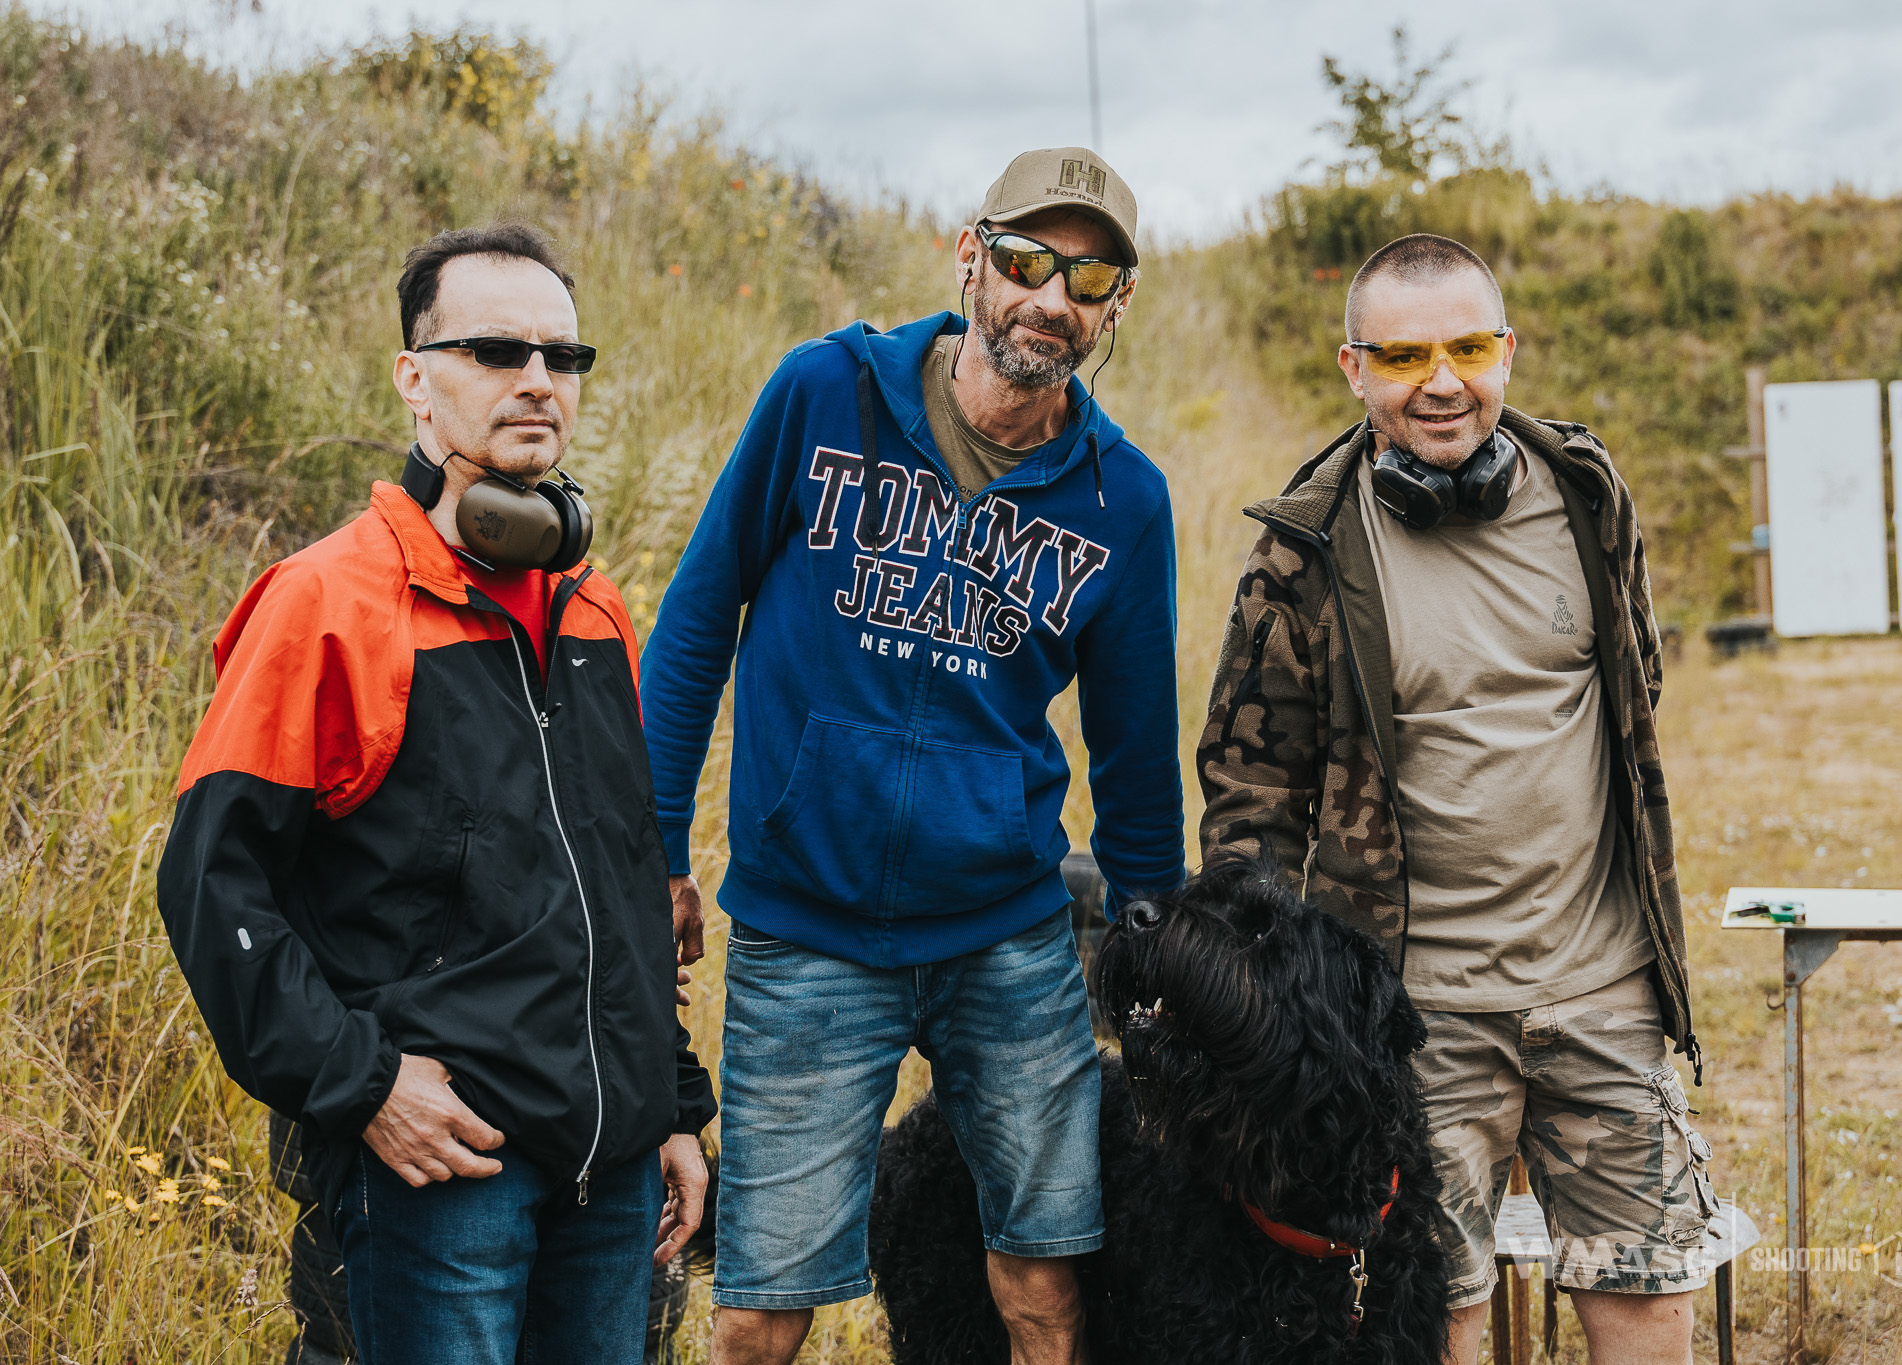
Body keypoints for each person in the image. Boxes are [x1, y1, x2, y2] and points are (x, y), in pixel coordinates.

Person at [640, 146, 1183, 1365]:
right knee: (759, 1309)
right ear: (969, 259)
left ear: (1115, 307)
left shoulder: (1123, 502)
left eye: (1089, 279)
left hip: (1006, 935)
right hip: (806, 926)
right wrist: (655, 849)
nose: (1051, 297)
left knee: (1045, 1280)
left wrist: (1151, 958)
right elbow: (694, 627)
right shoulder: (822, 393)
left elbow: (1136, 764)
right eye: (1027, 260)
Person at [157, 222, 714, 1365]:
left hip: (609, 1172)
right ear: (414, 380)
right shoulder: (325, 602)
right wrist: (363, 1085)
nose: (537, 380)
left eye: (562, 357)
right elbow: (212, 887)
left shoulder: (594, 610)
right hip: (441, 1171)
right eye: (497, 351)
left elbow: (621, 888)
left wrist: (667, 1105)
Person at [1196, 233, 1714, 1365]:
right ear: (1353, 369)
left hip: (1604, 993)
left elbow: (1636, 688)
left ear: (1506, 351)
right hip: (1413, 1024)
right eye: (1403, 356)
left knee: (1648, 1297)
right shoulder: (1303, 551)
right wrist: (1289, 1024)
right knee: (1430, 1319)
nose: (1441, 381)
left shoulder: (1586, 495)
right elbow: (1247, 800)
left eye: (1468, 348)